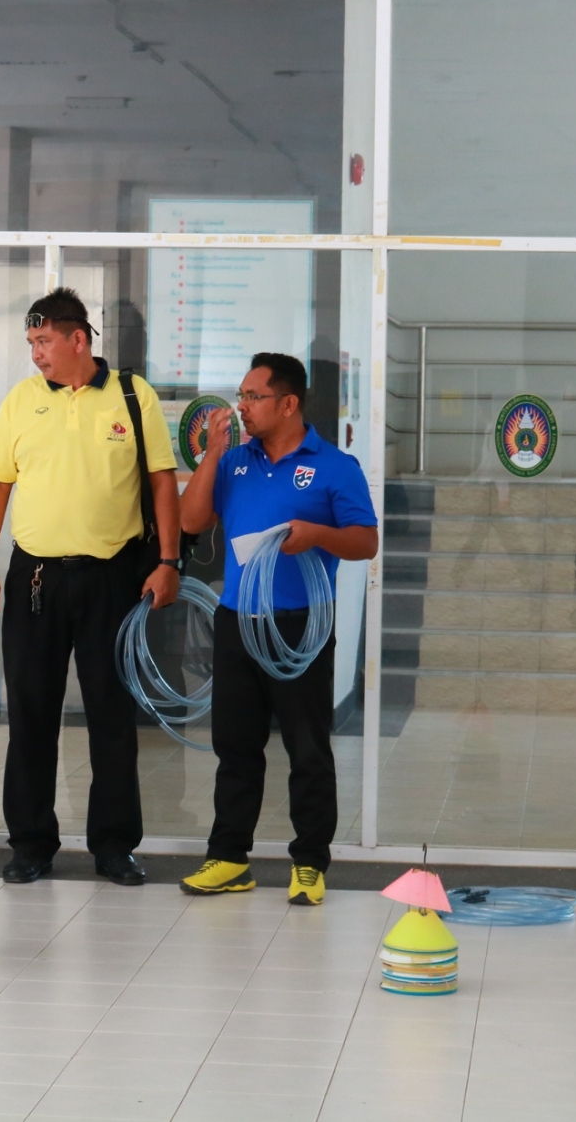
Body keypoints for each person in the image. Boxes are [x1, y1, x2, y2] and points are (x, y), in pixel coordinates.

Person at [0, 287, 180, 887]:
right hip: (35, 577)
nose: (36, 353)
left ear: (78, 339)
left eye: (43, 341)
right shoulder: (21, 401)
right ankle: (31, 844)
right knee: (32, 711)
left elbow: (162, 482)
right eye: (31, 342)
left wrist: (168, 560)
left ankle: (113, 846)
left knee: (113, 714)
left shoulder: (133, 396)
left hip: (112, 576)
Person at [175, 354, 378, 906]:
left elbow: (366, 541)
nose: (241, 406)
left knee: (307, 748)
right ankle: (228, 857)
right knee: (235, 746)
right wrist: (211, 454)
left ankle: (309, 862)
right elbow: (191, 521)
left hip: (300, 624)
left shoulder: (334, 467)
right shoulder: (234, 462)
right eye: (241, 395)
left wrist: (317, 534)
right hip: (238, 620)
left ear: (288, 404)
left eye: (253, 396)